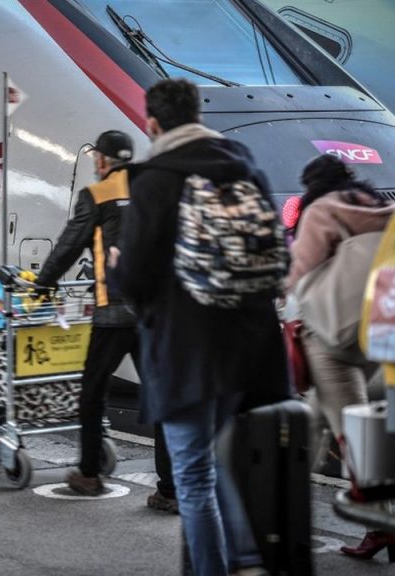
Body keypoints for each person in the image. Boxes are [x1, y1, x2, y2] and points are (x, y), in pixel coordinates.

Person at [114, 78, 287, 576]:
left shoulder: (155, 179)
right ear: (199, 116)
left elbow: (138, 278)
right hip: (252, 351)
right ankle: (249, 557)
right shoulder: (243, 166)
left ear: (152, 124)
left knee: (193, 477)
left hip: (187, 351)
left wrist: (120, 264)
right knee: (230, 464)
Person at [34, 130, 178, 510]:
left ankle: (88, 474)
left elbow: (69, 245)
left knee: (92, 393)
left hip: (113, 312)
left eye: (97, 157)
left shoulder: (96, 195)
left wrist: (43, 285)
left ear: (103, 160)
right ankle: (170, 490)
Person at [285, 154, 395, 562]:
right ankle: (281, 507)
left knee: (352, 432)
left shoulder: (321, 210)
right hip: (373, 335)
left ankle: (380, 523)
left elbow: (300, 269)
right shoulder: (384, 207)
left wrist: (278, 291)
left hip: (330, 338)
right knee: (313, 420)